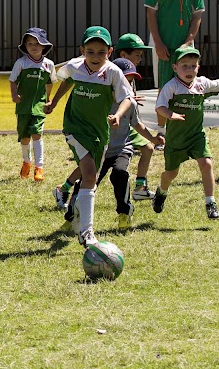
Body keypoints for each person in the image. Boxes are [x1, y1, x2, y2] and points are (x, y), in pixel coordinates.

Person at [44, 27, 133, 247]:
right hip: (75, 128)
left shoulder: (113, 72)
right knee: (91, 173)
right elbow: (64, 80)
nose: (95, 56)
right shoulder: (74, 66)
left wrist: (118, 115)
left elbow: (127, 98)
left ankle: (76, 212)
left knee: (89, 178)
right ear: (82, 50)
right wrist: (53, 103)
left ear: (110, 52)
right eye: (90, 51)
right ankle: (87, 232)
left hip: (100, 132)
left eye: (101, 52)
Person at [59, 59, 165, 229]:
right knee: (87, 181)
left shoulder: (129, 103)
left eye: (130, 81)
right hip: (99, 149)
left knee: (120, 173)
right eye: (124, 80)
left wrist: (152, 139)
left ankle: (124, 213)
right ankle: (72, 218)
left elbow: (137, 124)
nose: (127, 85)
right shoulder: (99, 99)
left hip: (120, 149)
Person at [153, 46, 219, 219]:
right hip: (176, 139)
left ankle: (210, 202)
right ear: (175, 67)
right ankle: (162, 191)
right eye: (185, 65)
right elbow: (159, 106)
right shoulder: (171, 86)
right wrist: (170, 114)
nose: (189, 70)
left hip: (196, 136)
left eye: (193, 65)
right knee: (171, 174)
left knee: (206, 163)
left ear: (198, 67)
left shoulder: (201, 83)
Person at [145, 0, 205, 127]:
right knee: (164, 89)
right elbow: (151, 13)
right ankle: (163, 133)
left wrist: (188, 42)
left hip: (185, 45)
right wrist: (158, 42)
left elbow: (197, 16)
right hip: (163, 43)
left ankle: (185, 127)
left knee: (187, 87)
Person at [8, 27, 56, 182]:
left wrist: (49, 99)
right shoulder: (21, 63)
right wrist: (14, 94)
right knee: (24, 137)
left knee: (37, 133)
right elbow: (13, 80)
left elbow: (50, 83)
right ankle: (26, 163)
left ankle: (39, 167)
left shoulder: (49, 65)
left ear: (44, 46)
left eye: (37, 43)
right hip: (23, 106)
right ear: (25, 46)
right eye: (30, 43)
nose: (34, 46)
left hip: (39, 106)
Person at [115, 33, 159, 199]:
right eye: (137, 55)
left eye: (141, 55)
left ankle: (140, 188)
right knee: (96, 165)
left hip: (128, 123)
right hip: (117, 125)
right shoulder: (115, 75)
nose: (140, 59)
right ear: (123, 55)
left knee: (148, 148)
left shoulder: (131, 75)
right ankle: (66, 187)